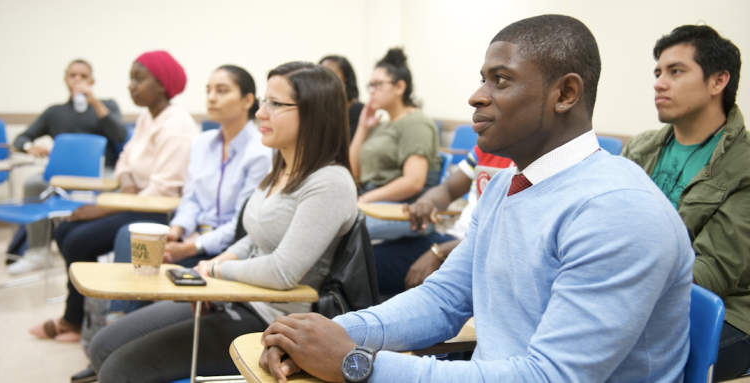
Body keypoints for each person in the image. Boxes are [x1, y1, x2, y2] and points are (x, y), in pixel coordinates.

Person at [259, 15, 694, 382]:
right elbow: (444, 300)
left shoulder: (619, 211)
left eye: (500, 80)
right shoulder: (508, 184)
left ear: (565, 94)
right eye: (482, 78)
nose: (477, 95)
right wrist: (321, 334)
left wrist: (356, 364)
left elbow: (551, 377)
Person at [88, 61, 358, 382]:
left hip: (272, 321)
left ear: (314, 113)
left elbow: (283, 271)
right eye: (263, 102)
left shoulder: (330, 182)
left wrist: (215, 271)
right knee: (103, 345)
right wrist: (214, 267)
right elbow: (253, 236)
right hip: (239, 297)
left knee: (120, 369)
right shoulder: (282, 166)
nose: (260, 113)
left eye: (275, 104)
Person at [28, 50, 199, 342]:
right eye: (131, 78)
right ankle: (79, 317)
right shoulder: (148, 117)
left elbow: (163, 189)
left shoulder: (177, 125)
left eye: (138, 78)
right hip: (136, 200)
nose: (130, 85)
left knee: (79, 238)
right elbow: (124, 159)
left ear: (161, 84)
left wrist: (104, 207)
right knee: (67, 230)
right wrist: (127, 182)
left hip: (158, 211)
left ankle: (77, 319)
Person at [621, 25, 749, 381]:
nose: (659, 83)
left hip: (724, 315)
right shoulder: (640, 148)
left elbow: (712, 273)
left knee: (611, 357)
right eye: (658, 73)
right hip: (634, 296)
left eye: (676, 71)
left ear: (718, 81)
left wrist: (618, 276)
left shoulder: (744, 164)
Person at [106, 64, 273, 316]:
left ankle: (126, 323)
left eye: (222, 90)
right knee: (128, 237)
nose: (211, 98)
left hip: (227, 250)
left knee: (150, 258)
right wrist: (177, 231)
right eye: (208, 90)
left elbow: (241, 224)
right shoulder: (203, 143)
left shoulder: (259, 153)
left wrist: (191, 247)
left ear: (248, 100)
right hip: (193, 236)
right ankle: (118, 318)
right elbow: (191, 199)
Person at [7, 59, 127, 274]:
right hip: (64, 173)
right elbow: (21, 137)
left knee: (116, 187)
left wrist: (95, 102)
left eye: (83, 76)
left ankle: (106, 247)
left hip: (102, 172)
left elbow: (120, 134)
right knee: (33, 184)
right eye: (73, 76)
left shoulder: (107, 106)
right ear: (66, 79)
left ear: (92, 80)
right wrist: (29, 146)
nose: (78, 80)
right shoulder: (55, 112)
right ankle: (38, 251)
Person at [375, 145, 513, 297]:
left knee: (367, 271)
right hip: (453, 240)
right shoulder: (488, 145)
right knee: (368, 262)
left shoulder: (536, 166)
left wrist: (439, 252)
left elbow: (508, 238)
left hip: (481, 254)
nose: (475, 121)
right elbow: (448, 189)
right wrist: (426, 202)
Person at [349, 48, 442, 239]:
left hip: (404, 208)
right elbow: (354, 172)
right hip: (373, 201)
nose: (371, 91)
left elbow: (413, 183)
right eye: (370, 86)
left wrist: (364, 200)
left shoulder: (416, 123)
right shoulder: (381, 125)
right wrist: (362, 127)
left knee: (338, 229)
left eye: (378, 85)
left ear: (400, 87)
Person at [319, 55, 364, 138]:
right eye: (320, 75)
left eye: (329, 73)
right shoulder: (319, 109)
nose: (323, 79)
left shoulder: (358, 109)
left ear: (345, 77)